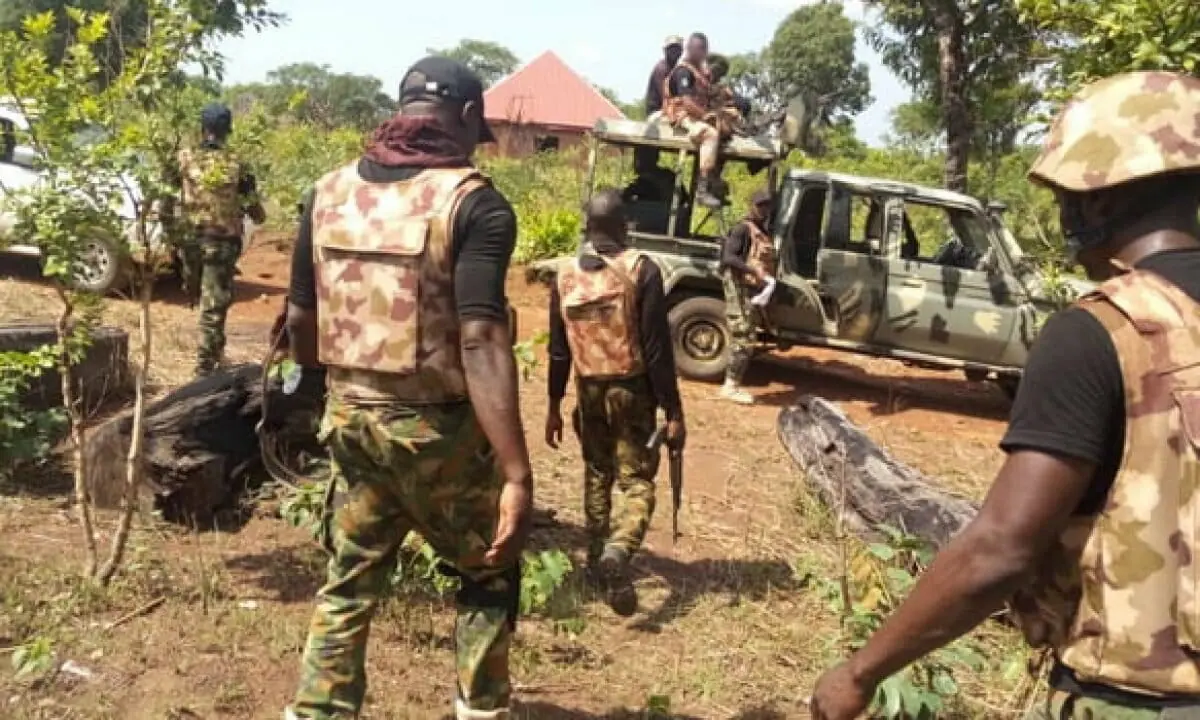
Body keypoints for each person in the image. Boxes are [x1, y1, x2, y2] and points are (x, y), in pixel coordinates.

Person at [809, 70, 1200, 720]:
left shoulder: (1102, 332)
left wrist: (859, 672)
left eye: (1067, 196)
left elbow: (1002, 549)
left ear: (1095, 202)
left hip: (1136, 697)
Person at [282, 56, 534, 720]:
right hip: (439, 436)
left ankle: (318, 711)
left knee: (349, 581)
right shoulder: (475, 203)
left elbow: (301, 321)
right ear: (471, 119)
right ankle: (480, 708)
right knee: (487, 570)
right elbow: (481, 340)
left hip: (352, 422)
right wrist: (516, 473)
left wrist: (320, 397)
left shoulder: (325, 192)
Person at [545, 188, 686, 617]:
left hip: (588, 389)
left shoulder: (564, 275)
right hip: (632, 390)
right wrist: (674, 411)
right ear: (625, 226)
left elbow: (558, 350)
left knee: (596, 474)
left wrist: (553, 404)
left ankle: (593, 561)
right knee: (637, 481)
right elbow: (658, 350)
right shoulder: (641, 269)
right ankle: (618, 553)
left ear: (587, 227)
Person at [173, 102, 266, 378]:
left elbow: (166, 197)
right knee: (214, 304)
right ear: (228, 131)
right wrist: (258, 216)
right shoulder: (238, 163)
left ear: (203, 129)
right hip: (222, 243)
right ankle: (204, 369)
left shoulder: (183, 158)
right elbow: (253, 207)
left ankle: (214, 352)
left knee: (204, 297)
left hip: (190, 239)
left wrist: (171, 229)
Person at [718, 189, 776, 405]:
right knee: (743, 337)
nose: (764, 209)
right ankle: (730, 386)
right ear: (752, 206)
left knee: (748, 336)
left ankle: (732, 384)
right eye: (760, 205)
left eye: (767, 205)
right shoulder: (743, 229)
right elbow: (729, 257)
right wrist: (753, 272)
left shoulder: (762, 230)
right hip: (738, 287)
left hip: (750, 290)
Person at [661, 32, 723, 208]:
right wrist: (705, 116)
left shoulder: (700, 73)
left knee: (724, 131)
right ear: (693, 49)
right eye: (702, 50)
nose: (704, 54)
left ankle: (715, 181)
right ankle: (702, 191)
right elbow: (687, 103)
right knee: (709, 134)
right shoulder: (683, 72)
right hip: (681, 116)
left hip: (694, 115)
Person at [644, 35, 684, 116]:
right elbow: (665, 97)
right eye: (671, 49)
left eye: (677, 48)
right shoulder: (661, 69)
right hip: (657, 112)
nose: (674, 51)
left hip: (671, 108)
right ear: (665, 50)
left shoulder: (677, 69)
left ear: (681, 51)